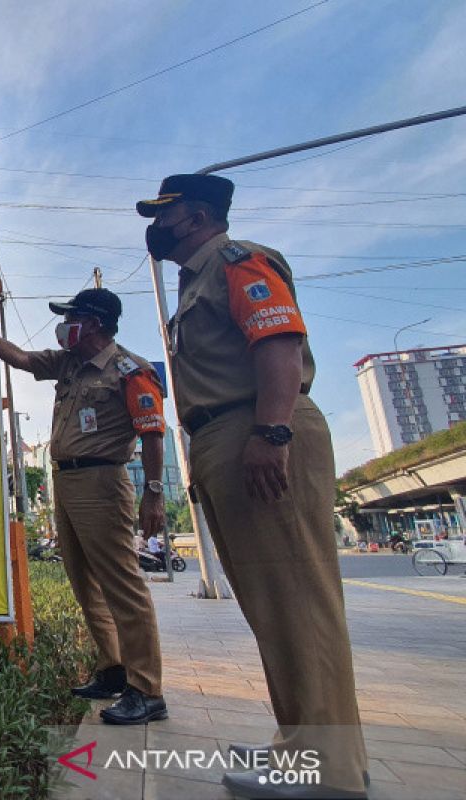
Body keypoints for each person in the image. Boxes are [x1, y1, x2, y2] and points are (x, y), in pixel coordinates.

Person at [137, 174, 368, 797]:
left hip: (257, 428)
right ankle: (303, 745)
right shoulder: (197, 278)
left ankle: (329, 770)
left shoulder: (239, 262)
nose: (156, 227)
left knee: (299, 605)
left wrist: (271, 434)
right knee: (275, 611)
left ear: (201, 216)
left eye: (168, 214)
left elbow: (280, 345)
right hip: (229, 435)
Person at [0, 288, 169, 724]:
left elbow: (152, 433)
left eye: (73, 317)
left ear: (97, 324)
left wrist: (155, 493)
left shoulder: (131, 371)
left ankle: (147, 690)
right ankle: (112, 670)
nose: (65, 324)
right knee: (85, 582)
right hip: (65, 482)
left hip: (103, 482)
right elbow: (23, 359)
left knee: (122, 586)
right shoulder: (69, 363)